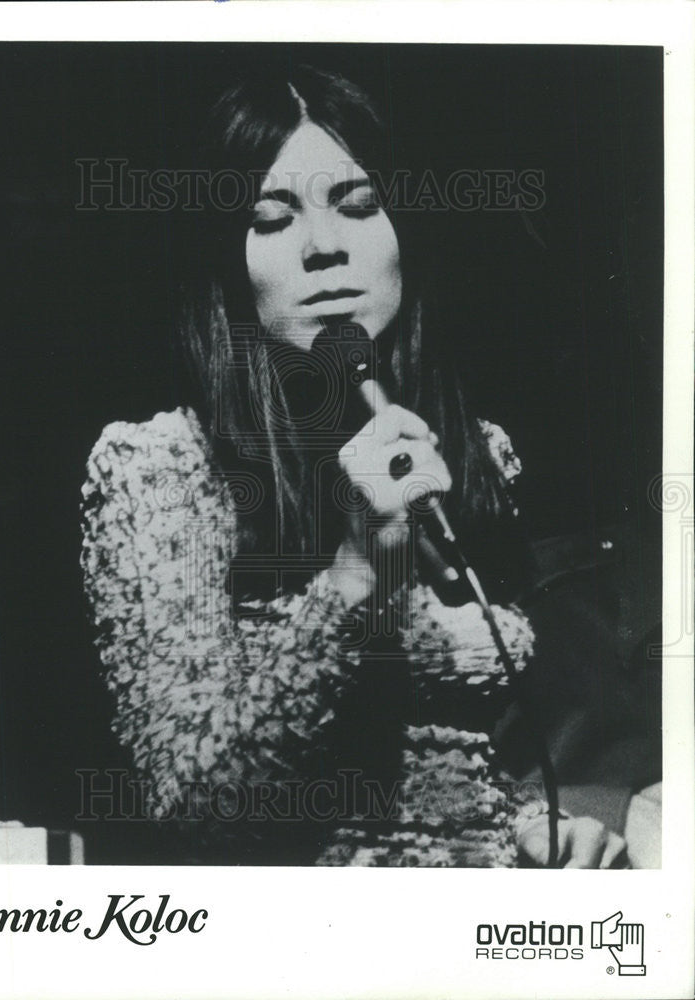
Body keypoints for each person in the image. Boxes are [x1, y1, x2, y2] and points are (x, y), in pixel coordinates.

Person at [80, 64, 629, 867]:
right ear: (224, 264)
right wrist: (355, 573)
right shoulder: (159, 465)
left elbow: (446, 754)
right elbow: (197, 802)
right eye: (271, 219)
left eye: (359, 206)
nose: (324, 247)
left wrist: (529, 827)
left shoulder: (471, 452)